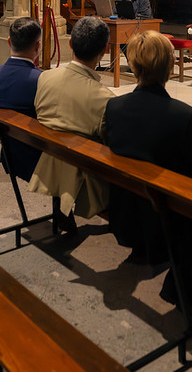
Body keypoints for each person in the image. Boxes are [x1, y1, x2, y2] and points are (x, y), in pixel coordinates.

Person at [103, 30, 192, 323]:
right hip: (168, 226)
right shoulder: (183, 115)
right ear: (169, 68)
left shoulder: (115, 107)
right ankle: (180, 284)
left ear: (135, 66)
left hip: (124, 218)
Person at [28, 16, 114, 230]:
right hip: (87, 178)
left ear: (70, 44)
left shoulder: (45, 78)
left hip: (49, 160)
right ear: (104, 51)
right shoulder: (104, 98)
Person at [0, 17, 42, 181]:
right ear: (37, 46)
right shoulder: (40, 81)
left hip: (10, 155)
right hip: (37, 160)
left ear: (9, 42)